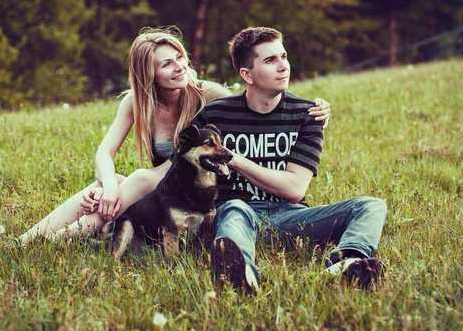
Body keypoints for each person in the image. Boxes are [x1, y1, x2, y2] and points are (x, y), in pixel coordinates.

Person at [18, 27, 331, 244]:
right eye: (167, 64)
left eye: (180, 57)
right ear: (148, 74)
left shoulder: (208, 95)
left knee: (138, 179)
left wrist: (314, 111)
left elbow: (260, 103)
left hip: (194, 190)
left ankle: (58, 242)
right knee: (101, 186)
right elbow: (104, 154)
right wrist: (111, 186)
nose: (181, 67)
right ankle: (28, 241)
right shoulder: (136, 102)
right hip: (165, 192)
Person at [192, 27, 388, 291]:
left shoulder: (308, 114)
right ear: (246, 74)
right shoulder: (214, 116)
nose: (283, 66)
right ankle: (242, 275)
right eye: (270, 60)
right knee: (234, 209)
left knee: (371, 206)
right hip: (238, 213)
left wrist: (233, 159)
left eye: (283, 56)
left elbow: (294, 190)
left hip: (291, 217)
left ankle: (347, 262)